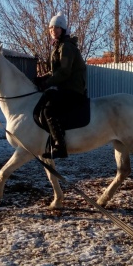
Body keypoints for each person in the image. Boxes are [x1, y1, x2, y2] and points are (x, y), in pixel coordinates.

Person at [34, 11, 87, 159]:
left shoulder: (66, 47)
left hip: (73, 89)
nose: (52, 30)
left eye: (56, 28)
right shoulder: (58, 47)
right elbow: (53, 71)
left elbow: (64, 72)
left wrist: (47, 84)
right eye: (51, 28)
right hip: (65, 87)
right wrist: (41, 78)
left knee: (49, 110)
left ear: (62, 30)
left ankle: (60, 146)